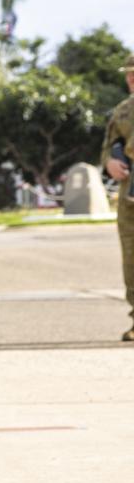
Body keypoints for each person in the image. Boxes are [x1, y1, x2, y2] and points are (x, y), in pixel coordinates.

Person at [101, 54, 134, 341]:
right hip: (129, 194)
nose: (131, 79)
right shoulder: (122, 111)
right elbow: (109, 146)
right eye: (128, 74)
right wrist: (110, 163)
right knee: (131, 257)